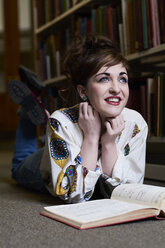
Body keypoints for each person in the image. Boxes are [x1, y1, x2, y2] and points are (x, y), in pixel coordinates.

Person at [8, 35, 148, 203]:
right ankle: (26, 113)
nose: (116, 89)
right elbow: (74, 195)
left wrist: (109, 143)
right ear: (83, 91)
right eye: (104, 78)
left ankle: (38, 110)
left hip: (66, 145)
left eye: (122, 78)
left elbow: (127, 191)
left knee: (53, 141)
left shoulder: (135, 124)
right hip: (54, 164)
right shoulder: (62, 122)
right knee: (18, 167)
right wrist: (90, 137)